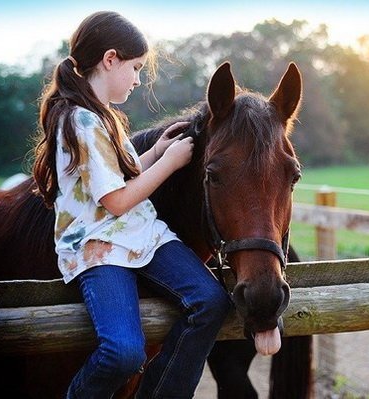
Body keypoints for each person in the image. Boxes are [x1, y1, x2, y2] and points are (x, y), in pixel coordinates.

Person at [32, 11, 232, 399]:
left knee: (210, 302)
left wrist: (156, 152)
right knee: (123, 353)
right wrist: (171, 163)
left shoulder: (104, 117)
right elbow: (117, 200)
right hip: (99, 247)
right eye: (136, 67)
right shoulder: (79, 121)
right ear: (110, 59)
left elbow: (115, 179)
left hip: (143, 235)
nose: (139, 78)